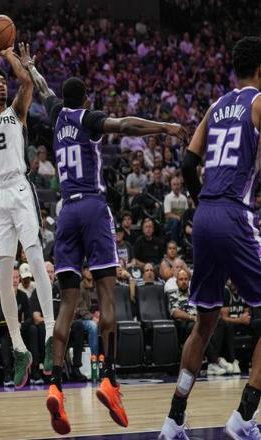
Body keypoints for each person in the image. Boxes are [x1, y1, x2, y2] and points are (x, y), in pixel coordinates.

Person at [23, 42, 187, 433]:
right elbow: (126, 125)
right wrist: (164, 127)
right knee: (107, 297)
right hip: (93, 209)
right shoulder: (88, 118)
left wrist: (29, 66)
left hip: (65, 212)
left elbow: (43, 89)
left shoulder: (57, 114)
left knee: (67, 303)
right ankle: (110, 379)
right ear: (86, 100)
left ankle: (55, 383)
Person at [159, 37, 261, 439]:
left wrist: (203, 200)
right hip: (234, 212)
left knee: (204, 322)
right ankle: (245, 416)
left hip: (204, 216)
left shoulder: (216, 106)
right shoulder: (258, 103)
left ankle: (174, 419)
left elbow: (188, 162)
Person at [0, 21, 55, 389]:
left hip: (19, 187)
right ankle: (20, 348)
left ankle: (51, 334)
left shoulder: (16, 110)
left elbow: (28, 83)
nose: (1, 84)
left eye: (3, 81)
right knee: (4, 274)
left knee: (34, 258)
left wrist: (8, 54)